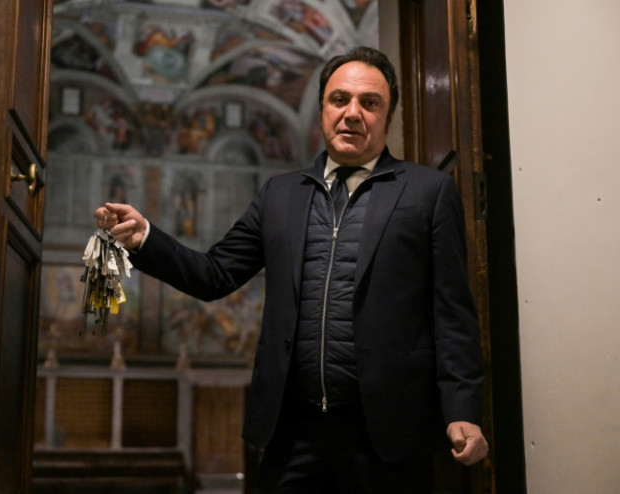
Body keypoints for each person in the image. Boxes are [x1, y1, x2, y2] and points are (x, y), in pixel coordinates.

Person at [94, 46, 488, 492]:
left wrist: (463, 410)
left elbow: (452, 315)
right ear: (322, 110)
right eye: (339, 100)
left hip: (390, 434)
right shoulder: (280, 195)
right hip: (294, 432)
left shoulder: (428, 192)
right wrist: (146, 237)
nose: (352, 113)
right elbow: (213, 275)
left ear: (388, 117)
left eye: (369, 103)